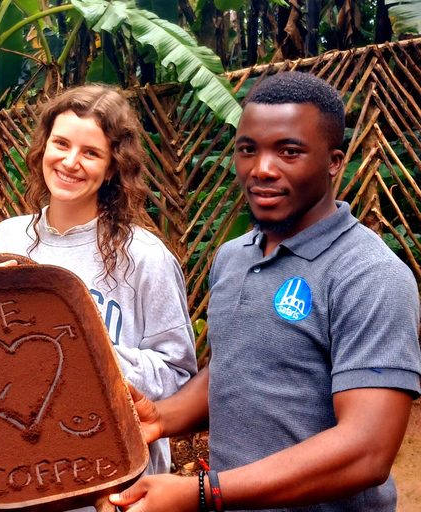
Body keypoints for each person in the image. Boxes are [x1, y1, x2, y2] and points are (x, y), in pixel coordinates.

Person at [108, 71, 421, 512]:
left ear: (334, 161)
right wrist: (164, 417)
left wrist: (202, 493)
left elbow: (366, 451)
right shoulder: (233, 258)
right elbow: (240, 366)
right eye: (247, 150)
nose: (262, 169)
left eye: (289, 151)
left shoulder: (369, 275)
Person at [0, 85, 198, 485]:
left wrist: (94, 357)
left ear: (113, 166)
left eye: (91, 152)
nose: (70, 161)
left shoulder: (144, 256)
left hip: (115, 477)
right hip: (25, 475)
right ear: (44, 146)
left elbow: (178, 374)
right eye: (61, 143)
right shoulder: (5, 241)